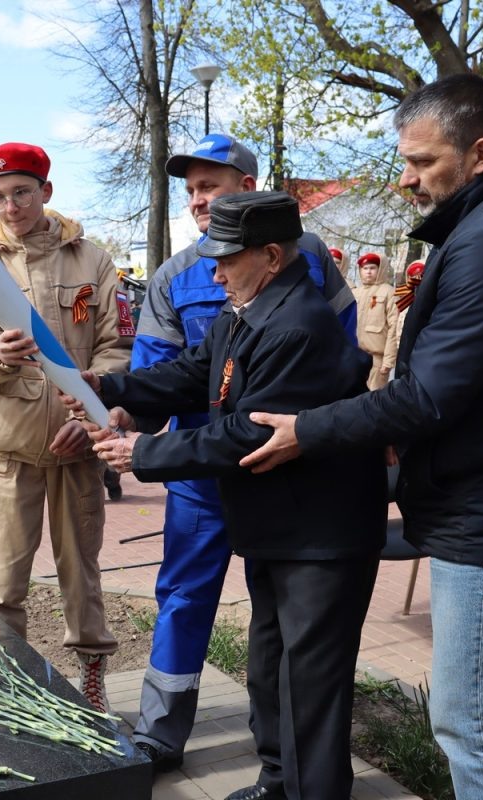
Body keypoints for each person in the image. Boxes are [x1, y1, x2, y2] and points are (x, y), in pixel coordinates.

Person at [241, 75, 483, 800]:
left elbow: (430, 394)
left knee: (470, 718)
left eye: (422, 162)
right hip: (472, 494)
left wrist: (312, 431)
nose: (406, 176)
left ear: (479, 153)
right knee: (478, 711)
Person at [80, 191, 385, 800]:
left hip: (319, 536)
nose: (213, 271)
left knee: (310, 684)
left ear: (271, 256)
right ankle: (279, 781)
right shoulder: (249, 308)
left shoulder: (299, 325)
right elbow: (195, 372)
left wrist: (143, 455)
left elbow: (247, 432)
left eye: (226, 258)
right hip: (280, 527)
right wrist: (110, 384)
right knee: (270, 668)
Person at [126, 132, 356, 772]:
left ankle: (286, 758)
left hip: (279, 468)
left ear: (247, 190)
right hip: (199, 476)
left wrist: (316, 433)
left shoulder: (307, 259)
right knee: (184, 596)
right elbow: (163, 371)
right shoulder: (174, 275)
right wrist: (123, 409)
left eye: (212, 186)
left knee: (278, 619)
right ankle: (161, 733)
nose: (199, 200)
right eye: (192, 190)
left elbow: (336, 361)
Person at [0, 142, 132, 713]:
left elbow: (117, 346)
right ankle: (9, 686)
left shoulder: (92, 260)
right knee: (1, 580)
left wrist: (90, 416)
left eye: (21, 192)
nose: (10, 205)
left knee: (82, 573)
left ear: (45, 192)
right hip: (10, 447)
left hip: (78, 449)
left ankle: (93, 679)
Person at [353, 252, 400, 389]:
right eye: (364, 268)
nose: (368, 272)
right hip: (355, 355)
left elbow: (394, 327)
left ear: (381, 269)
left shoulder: (389, 292)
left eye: (372, 268)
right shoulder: (355, 293)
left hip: (377, 359)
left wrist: (388, 360)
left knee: (374, 398)